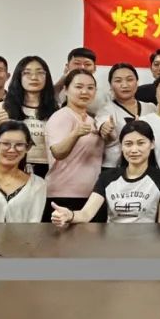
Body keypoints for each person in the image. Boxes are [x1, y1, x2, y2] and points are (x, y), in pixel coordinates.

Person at [50, 120, 160, 225]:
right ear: (121, 146)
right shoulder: (107, 177)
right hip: (112, 242)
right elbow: (86, 214)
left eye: (141, 143)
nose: (134, 149)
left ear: (152, 144)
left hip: (147, 243)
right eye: (128, 144)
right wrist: (69, 215)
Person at [44, 69, 105, 220]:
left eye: (90, 88)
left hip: (91, 197)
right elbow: (57, 152)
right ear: (65, 90)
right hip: (63, 195)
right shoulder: (61, 116)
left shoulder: (92, 120)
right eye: (78, 87)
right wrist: (75, 134)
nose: (85, 91)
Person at [0, 56, 59, 178]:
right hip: (13, 166)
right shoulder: (2, 107)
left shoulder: (57, 110)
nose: (34, 77)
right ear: (19, 77)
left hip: (49, 169)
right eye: (27, 73)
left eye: (40, 73)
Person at [95, 63, 157, 169]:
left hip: (146, 167)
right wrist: (105, 129)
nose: (125, 85)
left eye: (129, 79)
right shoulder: (105, 110)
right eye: (118, 81)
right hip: (114, 169)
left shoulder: (150, 108)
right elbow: (103, 125)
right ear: (110, 86)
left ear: (137, 82)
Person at [55, 47, 107, 112]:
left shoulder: (103, 93)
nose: (82, 67)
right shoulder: (60, 88)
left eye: (87, 64)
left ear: (94, 68)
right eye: (77, 63)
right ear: (67, 66)